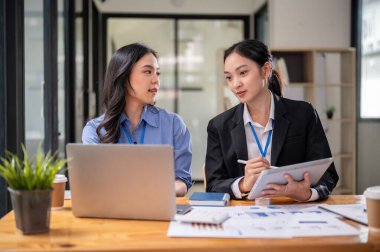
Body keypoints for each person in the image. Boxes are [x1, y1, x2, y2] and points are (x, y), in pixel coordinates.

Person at [205, 39, 338, 201]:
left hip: (292, 210)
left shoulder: (303, 114)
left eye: (243, 73)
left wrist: (308, 193)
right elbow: (212, 186)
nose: (235, 84)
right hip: (242, 215)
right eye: (229, 77)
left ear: (266, 70)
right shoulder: (219, 126)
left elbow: (328, 175)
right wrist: (243, 185)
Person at [82, 43, 192, 197]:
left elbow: (182, 180)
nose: (156, 81)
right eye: (147, 72)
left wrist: (155, 191)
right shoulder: (94, 130)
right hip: (113, 213)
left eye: (157, 73)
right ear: (123, 75)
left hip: (159, 212)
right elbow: (96, 184)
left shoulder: (174, 124)